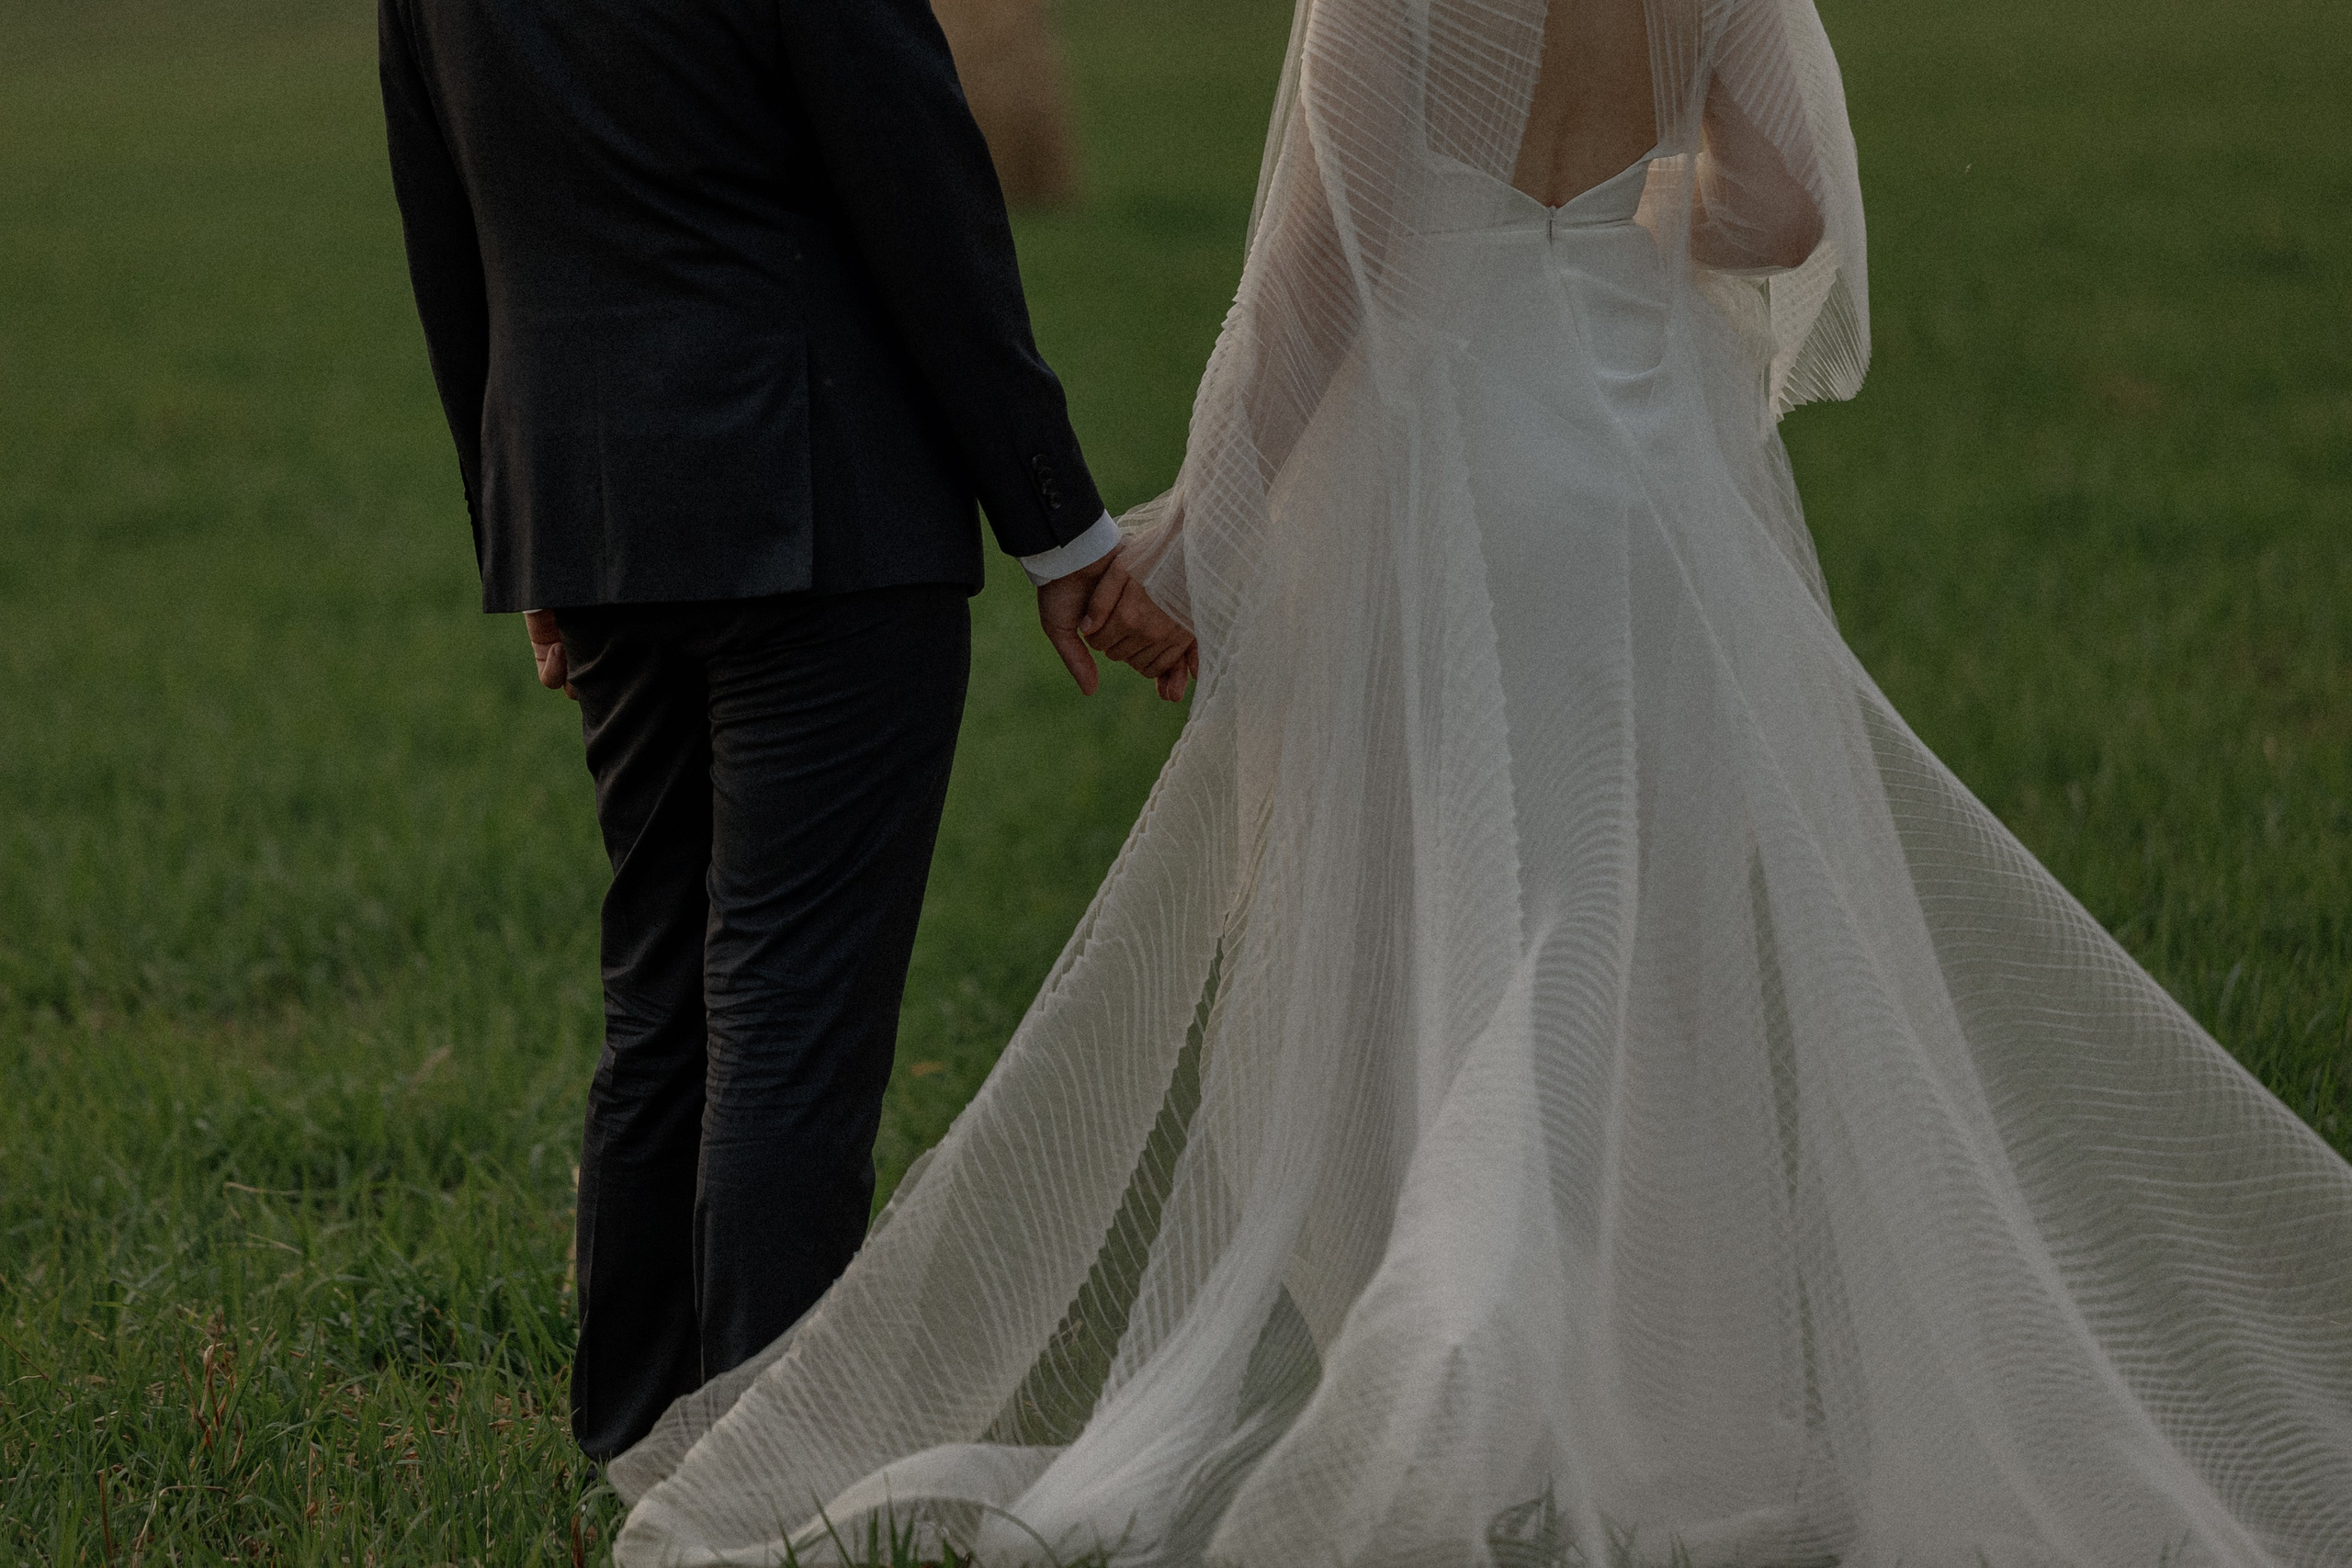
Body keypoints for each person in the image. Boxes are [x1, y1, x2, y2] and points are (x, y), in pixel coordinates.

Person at [606, 0, 2352, 1562]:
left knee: (1459, 934)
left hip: (1461, 491)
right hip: (1652, 483)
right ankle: (1629, 1393)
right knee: (1625, 946)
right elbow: (1792, 205)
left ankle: (1448, 1354)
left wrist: (1195, 551)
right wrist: (1636, 219)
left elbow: (1316, 284)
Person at [376, 0, 1193, 1463]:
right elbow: (925, 204)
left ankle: (633, 1442)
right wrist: (1061, 530)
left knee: (665, 996)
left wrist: (527, 541)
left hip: (594, 512)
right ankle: (770, 1481)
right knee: (788, 1015)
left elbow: (448, 234)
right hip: (822, 504)